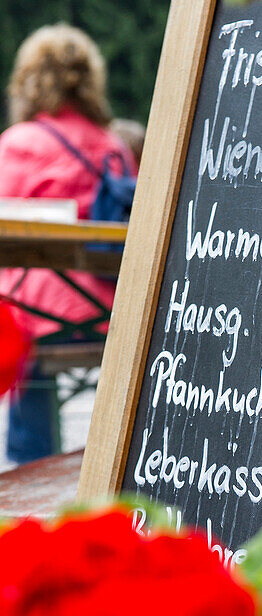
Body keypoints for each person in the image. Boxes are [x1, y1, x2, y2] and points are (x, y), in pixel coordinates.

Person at [0, 25, 135, 464]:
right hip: (109, 314)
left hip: (38, 322)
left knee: (18, 327)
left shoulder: (17, 144)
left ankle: (29, 469)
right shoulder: (113, 145)